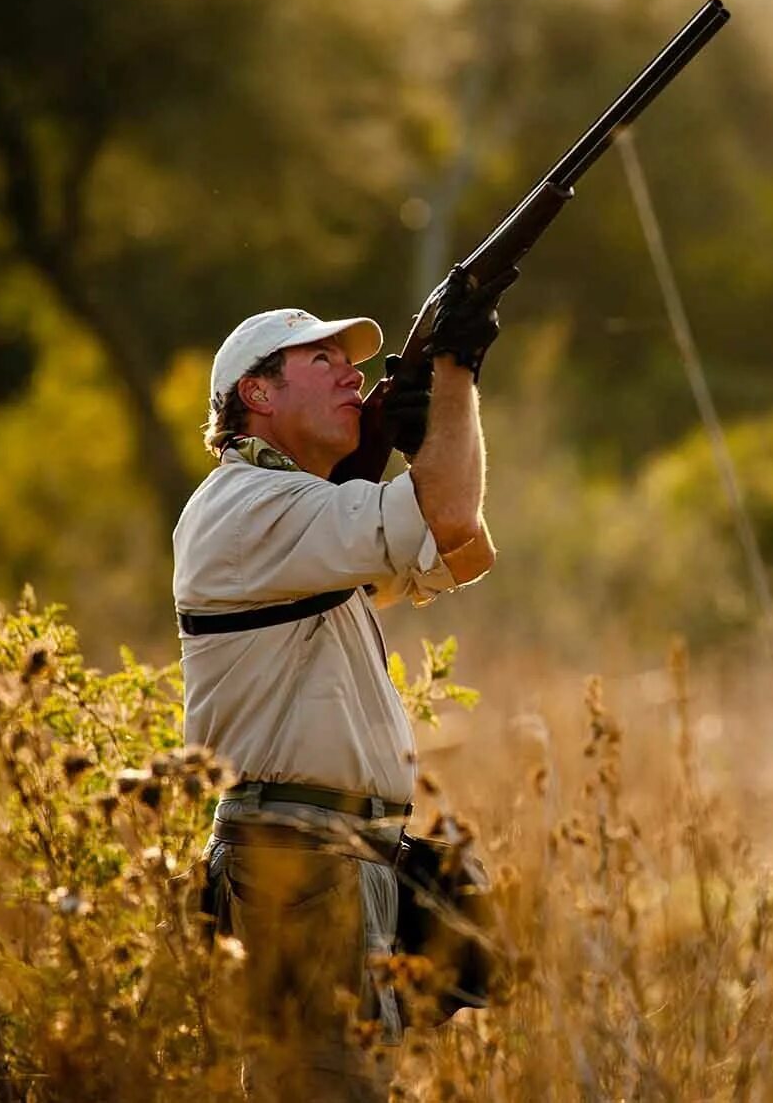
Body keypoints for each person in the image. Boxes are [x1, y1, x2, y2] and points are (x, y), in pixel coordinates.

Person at [173, 266, 513, 1100]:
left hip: (343, 856)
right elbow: (451, 519)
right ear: (256, 391)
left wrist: (408, 443)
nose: (351, 373)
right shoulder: (247, 507)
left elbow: (465, 555)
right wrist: (455, 375)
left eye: (350, 361)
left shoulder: (302, 517)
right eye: (320, 359)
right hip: (294, 858)